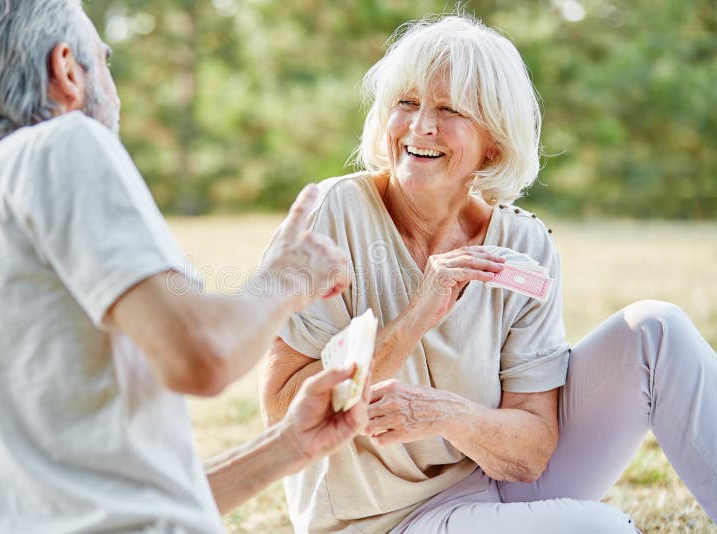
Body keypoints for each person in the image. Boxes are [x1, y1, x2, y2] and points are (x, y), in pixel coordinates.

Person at [0, 1, 370, 532]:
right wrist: (292, 276)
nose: (115, 89)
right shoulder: (65, 142)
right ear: (66, 70)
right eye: (104, 63)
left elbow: (94, 505)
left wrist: (287, 446)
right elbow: (201, 357)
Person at [260, 14, 717, 533]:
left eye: (448, 109)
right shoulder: (335, 214)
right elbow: (280, 411)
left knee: (657, 331)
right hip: (382, 521)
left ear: (493, 145)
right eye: (406, 103)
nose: (419, 126)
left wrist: (442, 414)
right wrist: (414, 319)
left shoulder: (524, 243)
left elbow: (531, 453)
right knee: (600, 528)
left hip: (495, 482)